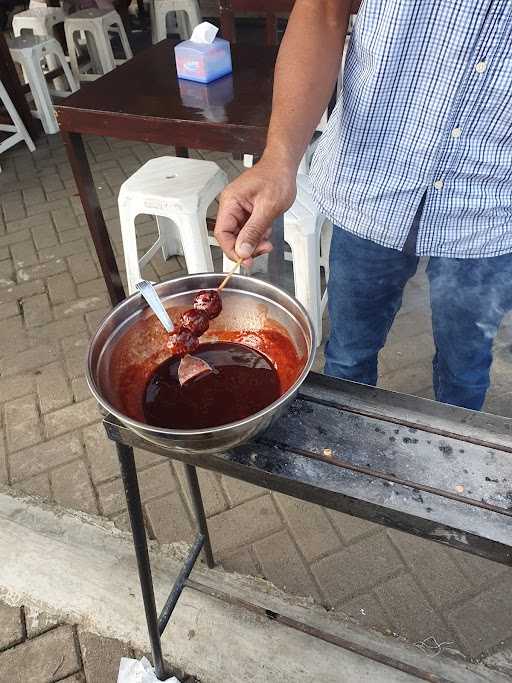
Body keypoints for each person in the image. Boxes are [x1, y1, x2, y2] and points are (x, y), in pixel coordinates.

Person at [213, 0, 512, 411]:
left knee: (467, 369)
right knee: (349, 358)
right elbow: (322, 11)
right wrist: (278, 161)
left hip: (494, 208)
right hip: (372, 180)